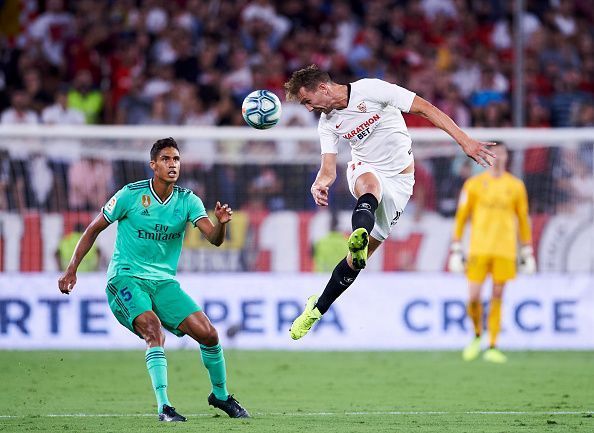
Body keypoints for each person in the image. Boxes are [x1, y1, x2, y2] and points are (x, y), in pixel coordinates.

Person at [284, 64, 496, 340]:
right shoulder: (327, 123)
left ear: (323, 88)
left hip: (401, 181)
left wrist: (464, 141)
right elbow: (328, 168)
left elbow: (425, 108)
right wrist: (320, 183)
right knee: (370, 186)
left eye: (308, 102)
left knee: (356, 263)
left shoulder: (371, 90)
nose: (309, 109)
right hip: (364, 168)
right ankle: (355, 239)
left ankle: (318, 304)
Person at [57, 138, 249, 421]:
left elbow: (214, 240)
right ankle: (165, 407)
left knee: (209, 334)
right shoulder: (129, 195)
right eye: (166, 159)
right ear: (153, 165)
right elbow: (93, 229)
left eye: (177, 160)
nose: (173, 165)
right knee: (153, 329)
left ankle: (220, 396)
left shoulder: (188, 200)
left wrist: (220, 224)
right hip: (126, 278)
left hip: (163, 283)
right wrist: (72, 268)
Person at [447, 143, 535, 363]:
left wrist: (527, 249)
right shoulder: (473, 184)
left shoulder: (516, 186)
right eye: (494, 153)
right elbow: (461, 217)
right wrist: (456, 248)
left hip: (505, 250)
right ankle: (477, 335)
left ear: (507, 157)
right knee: (474, 297)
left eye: (503, 152)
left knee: (498, 295)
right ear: (487, 157)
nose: (498, 157)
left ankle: (493, 345)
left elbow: (523, 219)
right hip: (478, 249)